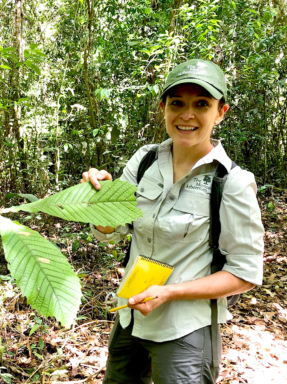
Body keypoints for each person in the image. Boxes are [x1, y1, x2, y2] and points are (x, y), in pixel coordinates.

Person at [81, 59, 264, 384]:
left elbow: (245, 274)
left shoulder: (231, 182)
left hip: (185, 331)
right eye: (177, 103)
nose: (187, 114)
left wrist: (170, 293)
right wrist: (100, 202)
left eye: (201, 104)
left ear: (220, 112)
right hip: (129, 319)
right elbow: (113, 231)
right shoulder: (145, 161)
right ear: (163, 107)